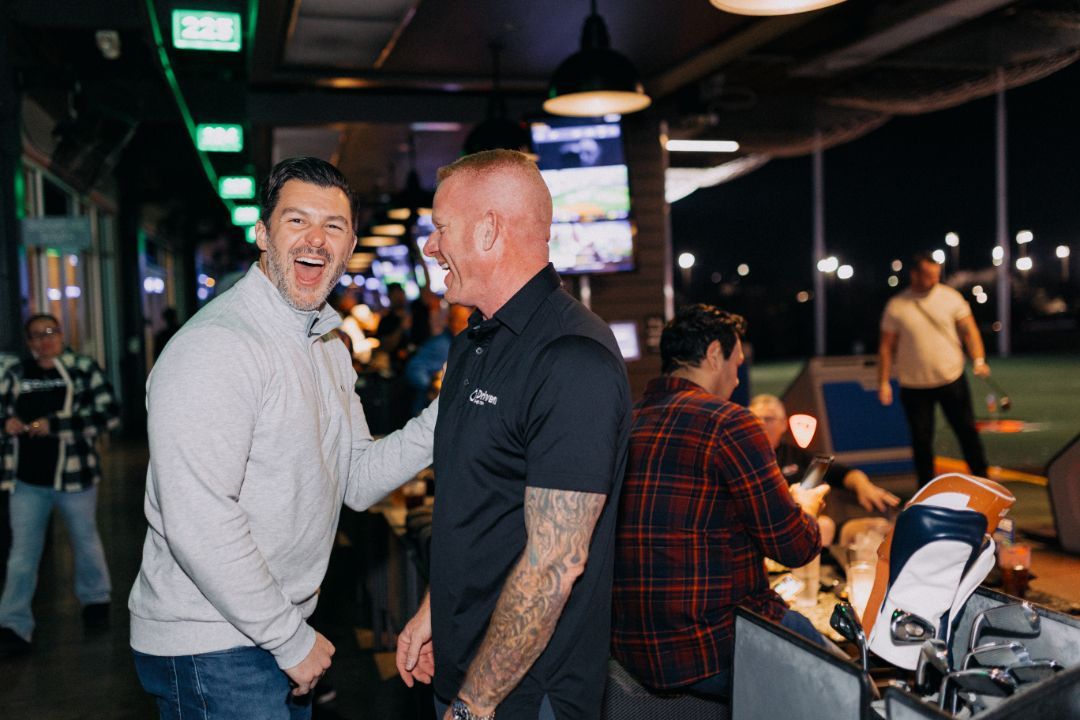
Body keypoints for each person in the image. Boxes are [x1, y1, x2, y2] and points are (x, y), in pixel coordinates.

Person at [128, 157, 438, 720]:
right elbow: (198, 519)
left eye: (334, 226)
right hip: (212, 643)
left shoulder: (323, 342)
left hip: (268, 631)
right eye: (297, 221)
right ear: (263, 233)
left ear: (349, 247)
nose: (316, 239)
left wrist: (447, 418)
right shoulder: (218, 347)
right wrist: (289, 639)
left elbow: (358, 480)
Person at [395, 149, 631, 720]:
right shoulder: (474, 342)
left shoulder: (573, 360)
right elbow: (477, 506)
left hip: (523, 697)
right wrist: (436, 610)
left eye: (440, 228)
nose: (430, 246)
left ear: (490, 230)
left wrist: (475, 706)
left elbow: (553, 565)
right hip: (462, 671)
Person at [611, 305, 829, 699]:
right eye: (737, 363)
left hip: (632, 651)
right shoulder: (730, 422)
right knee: (854, 687)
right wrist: (806, 510)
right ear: (715, 354)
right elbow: (794, 546)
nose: (736, 377)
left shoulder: (628, 421)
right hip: (712, 647)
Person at [0, 314, 120, 658]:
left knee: (85, 539)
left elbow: (109, 413)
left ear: (61, 335)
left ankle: (96, 599)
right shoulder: (15, 374)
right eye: (36, 336)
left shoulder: (82, 369)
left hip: (75, 476)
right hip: (26, 479)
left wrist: (55, 425)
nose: (44, 340)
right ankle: (13, 622)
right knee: (22, 554)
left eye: (50, 333)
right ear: (28, 342)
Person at [878, 252, 990, 487]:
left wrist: (979, 359)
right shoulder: (897, 305)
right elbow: (886, 347)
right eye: (929, 275)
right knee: (921, 440)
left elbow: (970, 331)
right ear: (914, 274)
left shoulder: (951, 298)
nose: (934, 279)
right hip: (914, 384)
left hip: (951, 377)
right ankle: (925, 490)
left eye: (937, 274)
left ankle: (983, 481)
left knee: (966, 431)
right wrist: (883, 381)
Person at [748, 394, 900, 546]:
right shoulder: (742, 459)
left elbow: (842, 474)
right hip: (765, 530)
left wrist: (863, 485)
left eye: (768, 419)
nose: (761, 424)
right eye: (755, 419)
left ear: (784, 424)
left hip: (807, 527)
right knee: (824, 525)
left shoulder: (797, 457)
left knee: (879, 526)